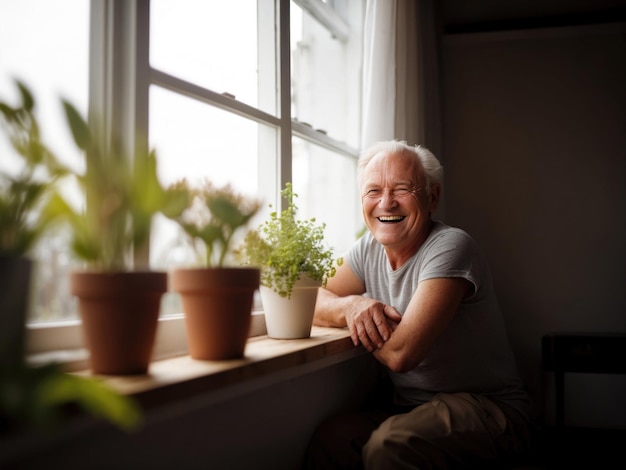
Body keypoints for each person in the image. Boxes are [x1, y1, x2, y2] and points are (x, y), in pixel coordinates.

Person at [305, 140, 532, 469]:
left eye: (401, 188)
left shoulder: (452, 246)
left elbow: (401, 354)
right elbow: (312, 299)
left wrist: (359, 308)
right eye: (373, 191)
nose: (386, 202)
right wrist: (352, 306)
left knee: (390, 446)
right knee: (333, 439)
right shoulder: (366, 248)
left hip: (491, 410)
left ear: (432, 198)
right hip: (410, 409)